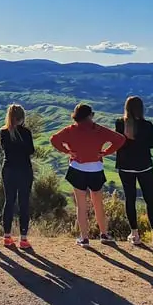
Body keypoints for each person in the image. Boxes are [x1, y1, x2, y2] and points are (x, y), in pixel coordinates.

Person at [50, 103, 125, 247]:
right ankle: (104, 234)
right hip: (96, 169)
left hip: (77, 168)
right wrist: (105, 152)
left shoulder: (70, 130)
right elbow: (120, 139)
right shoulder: (99, 130)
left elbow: (54, 139)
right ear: (90, 115)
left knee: (81, 205)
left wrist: (67, 152)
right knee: (98, 204)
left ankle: (84, 238)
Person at [115, 96, 153, 247]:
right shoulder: (147, 125)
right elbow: (152, 144)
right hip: (144, 166)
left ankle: (134, 234)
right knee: (150, 199)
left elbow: (118, 143)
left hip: (125, 166)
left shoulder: (120, 123)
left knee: (130, 199)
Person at [0, 104, 35, 250]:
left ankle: (7, 237)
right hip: (24, 170)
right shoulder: (26, 132)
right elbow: (31, 150)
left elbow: (4, 149)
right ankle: (24, 239)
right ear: (22, 117)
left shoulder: (3, 132)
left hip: (8, 169)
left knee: (9, 201)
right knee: (24, 203)